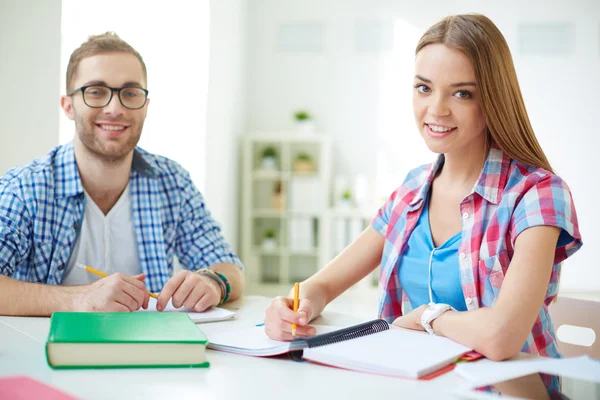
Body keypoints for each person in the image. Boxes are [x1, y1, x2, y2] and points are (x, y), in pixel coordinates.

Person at [264, 13, 582, 366]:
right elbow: (320, 287)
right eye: (424, 88)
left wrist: (431, 318)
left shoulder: (536, 195)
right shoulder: (411, 192)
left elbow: (501, 336)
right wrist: (293, 306)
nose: (436, 109)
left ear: (493, 99)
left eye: (462, 93)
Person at [0, 32, 244, 316]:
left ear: (145, 107)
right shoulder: (24, 189)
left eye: (130, 93)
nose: (115, 109)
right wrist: (78, 300)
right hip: (47, 354)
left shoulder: (172, 182)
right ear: (68, 106)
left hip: (151, 354)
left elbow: (230, 269)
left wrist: (213, 282)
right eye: (95, 91)